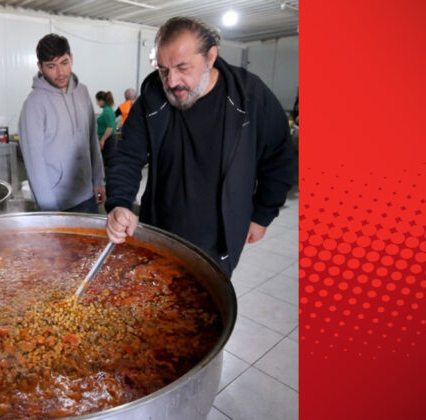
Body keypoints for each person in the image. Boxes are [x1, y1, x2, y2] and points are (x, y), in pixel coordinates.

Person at [104, 17, 296, 276]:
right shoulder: (153, 96)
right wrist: (120, 203)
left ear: (210, 56)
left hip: (218, 240)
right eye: (163, 70)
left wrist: (262, 214)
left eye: (183, 67)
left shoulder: (249, 96)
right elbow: (127, 155)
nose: (172, 82)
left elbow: (279, 156)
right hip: (159, 228)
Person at [18, 34, 106, 213]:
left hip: (88, 195)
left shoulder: (83, 92)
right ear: (40, 67)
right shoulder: (34, 105)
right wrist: (49, 210)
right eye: (51, 66)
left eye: (64, 63)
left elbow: (92, 141)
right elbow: (35, 164)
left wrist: (98, 180)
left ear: (71, 58)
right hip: (58, 204)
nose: (60, 73)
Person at [95, 91, 117, 167]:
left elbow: (110, 127)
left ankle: (108, 177)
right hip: (106, 138)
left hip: (108, 139)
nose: (96, 103)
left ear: (101, 100)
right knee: (103, 161)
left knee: (107, 161)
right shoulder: (106, 110)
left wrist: (103, 140)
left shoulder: (108, 111)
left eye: (97, 101)